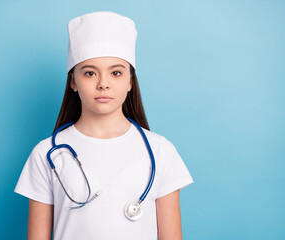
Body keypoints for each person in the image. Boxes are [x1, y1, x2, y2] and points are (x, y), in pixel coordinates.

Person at [14, 11, 194, 240]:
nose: (103, 84)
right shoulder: (46, 153)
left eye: (116, 73)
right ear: (73, 82)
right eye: (90, 73)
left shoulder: (161, 151)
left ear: (130, 81)